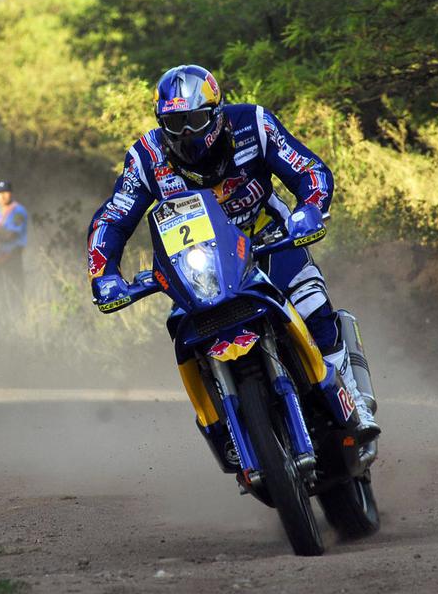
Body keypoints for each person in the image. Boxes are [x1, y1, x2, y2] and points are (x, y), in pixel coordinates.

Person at [86, 64, 379, 440]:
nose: (186, 133)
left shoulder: (253, 123)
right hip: (198, 267)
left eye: (194, 120)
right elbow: (113, 218)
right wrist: (104, 274)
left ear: (216, 113)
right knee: (183, 331)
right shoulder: (146, 157)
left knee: (311, 303)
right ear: (161, 123)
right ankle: (222, 426)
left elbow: (308, 169)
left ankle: (352, 398)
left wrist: (309, 208)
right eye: (174, 123)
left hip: (268, 241)